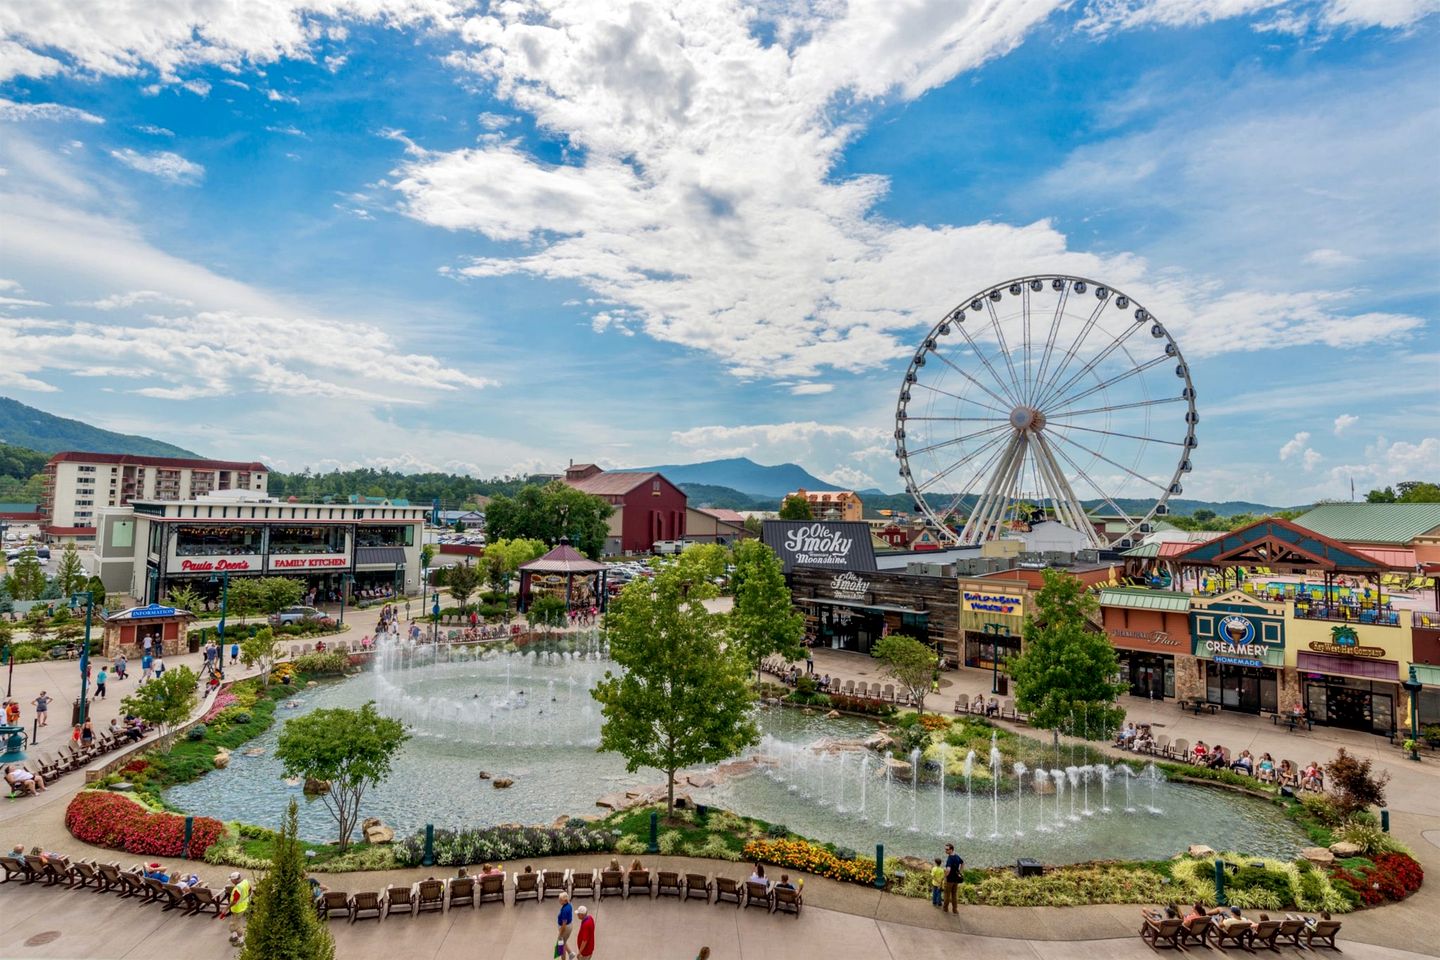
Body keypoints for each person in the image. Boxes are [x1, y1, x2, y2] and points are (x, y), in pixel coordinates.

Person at [227, 871, 251, 945]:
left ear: (235, 880)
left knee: (237, 926)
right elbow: (250, 891)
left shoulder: (237, 889)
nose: (231, 881)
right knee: (233, 923)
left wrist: (226, 908)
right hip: (244, 906)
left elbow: (234, 901)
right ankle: (234, 937)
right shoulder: (246, 882)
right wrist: (245, 897)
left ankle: (241, 941)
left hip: (237, 909)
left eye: (231, 880)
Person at [942, 842, 963, 914]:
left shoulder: (950, 859)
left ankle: (945, 908)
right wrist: (960, 872)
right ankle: (955, 909)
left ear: (951, 850)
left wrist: (944, 877)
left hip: (950, 879)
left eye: (947, 849)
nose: (946, 851)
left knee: (947, 894)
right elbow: (962, 863)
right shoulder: (957, 856)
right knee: (954, 894)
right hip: (956, 879)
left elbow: (948, 870)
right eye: (945, 849)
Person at [556, 891, 574, 959]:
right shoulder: (568, 905)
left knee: (560, 944)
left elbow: (564, 924)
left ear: (564, 901)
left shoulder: (565, 910)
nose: (559, 901)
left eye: (560, 900)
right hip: (568, 926)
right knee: (563, 941)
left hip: (565, 928)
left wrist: (560, 933)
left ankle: (563, 958)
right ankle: (570, 953)